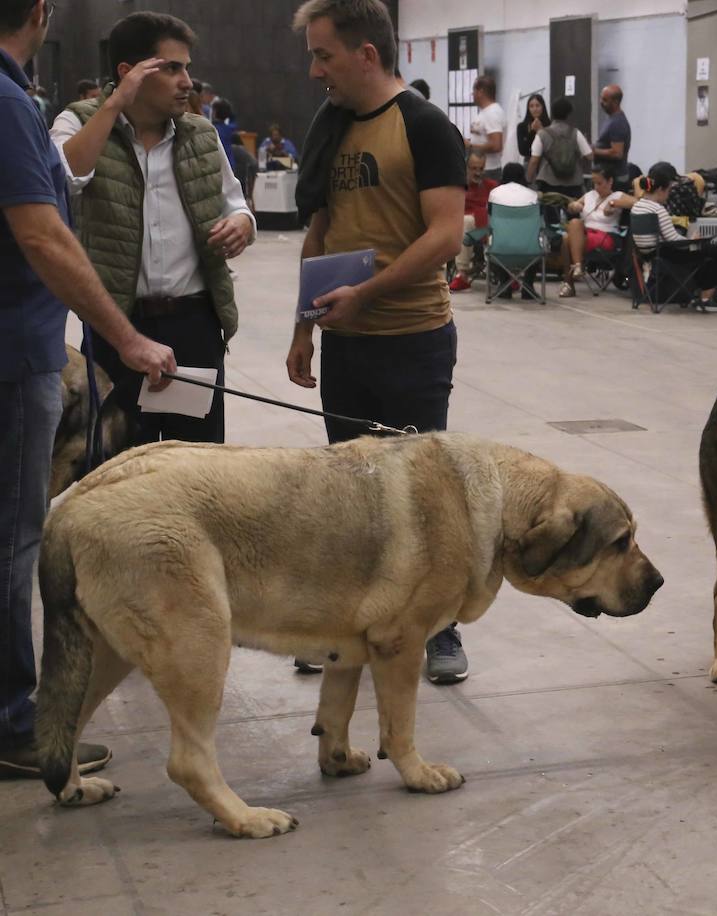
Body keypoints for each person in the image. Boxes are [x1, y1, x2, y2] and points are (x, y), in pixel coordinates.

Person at [1, 0, 176, 779]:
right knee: (15, 542)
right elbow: (43, 231)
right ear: (38, 11)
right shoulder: (11, 103)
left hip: (29, 349)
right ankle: (13, 726)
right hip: (14, 358)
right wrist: (128, 339)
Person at [288, 0, 470, 684]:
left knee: (425, 497)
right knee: (353, 492)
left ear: (366, 55)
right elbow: (320, 234)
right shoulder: (330, 129)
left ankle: (440, 628)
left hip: (413, 341)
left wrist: (365, 295)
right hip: (346, 343)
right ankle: (347, 629)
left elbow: (445, 236)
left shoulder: (424, 126)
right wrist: (303, 326)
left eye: (324, 55)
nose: (314, 71)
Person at [51, 11, 254, 447]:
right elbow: (64, 178)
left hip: (192, 329)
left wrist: (242, 223)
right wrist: (114, 105)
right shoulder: (76, 121)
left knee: (194, 462)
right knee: (118, 461)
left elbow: (236, 202)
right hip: (117, 327)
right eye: (173, 68)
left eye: (188, 68)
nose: (188, 81)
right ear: (130, 73)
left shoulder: (201, 134)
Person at [631, 161, 717, 312]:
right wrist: (694, 240)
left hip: (647, 253)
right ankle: (705, 299)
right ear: (660, 189)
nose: (670, 194)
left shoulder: (637, 206)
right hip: (666, 253)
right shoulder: (658, 210)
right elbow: (674, 241)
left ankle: (701, 295)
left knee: (705, 253)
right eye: (669, 189)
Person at [559, 163, 629, 297]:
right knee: (572, 226)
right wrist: (574, 206)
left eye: (600, 183)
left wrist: (614, 204)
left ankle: (569, 283)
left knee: (567, 239)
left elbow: (636, 202)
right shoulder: (590, 195)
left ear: (610, 181)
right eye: (594, 183)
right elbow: (572, 206)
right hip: (586, 234)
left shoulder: (618, 196)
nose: (596, 187)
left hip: (606, 236)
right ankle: (578, 266)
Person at [486, 161, 540, 300]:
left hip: (500, 248)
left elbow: (490, 220)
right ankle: (528, 286)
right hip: (530, 249)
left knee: (493, 238)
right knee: (539, 241)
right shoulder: (533, 196)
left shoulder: (495, 194)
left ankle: (504, 284)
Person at [448, 151, 497, 293]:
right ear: (466, 168)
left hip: (489, 228)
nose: (478, 173)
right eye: (474, 168)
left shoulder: (492, 187)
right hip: (464, 228)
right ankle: (462, 274)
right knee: (466, 220)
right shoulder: (458, 186)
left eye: (481, 169)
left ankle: (508, 274)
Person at [526, 95, 591, 199]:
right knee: (573, 214)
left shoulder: (542, 134)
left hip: (549, 184)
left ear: (552, 112)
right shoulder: (576, 133)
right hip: (573, 184)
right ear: (568, 114)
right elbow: (589, 156)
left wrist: (528, 181)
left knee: (550, 215)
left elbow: (534, 161)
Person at [469, 72, 504, 179]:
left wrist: (469, 146)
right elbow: (482, 139)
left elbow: (496, 145)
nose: (472, 94)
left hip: (488, 170)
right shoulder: (485, 112)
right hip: (480, 168)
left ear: (481, 92)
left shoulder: (493, 112)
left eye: (474, 91)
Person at [593, 83, 631, 177]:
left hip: (615, 178)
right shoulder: (612, 119)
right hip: (608, 176)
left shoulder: (617, 123)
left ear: (615, 102)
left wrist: (594, 151)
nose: (601, 102)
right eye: (601, 98)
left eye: (605, 100)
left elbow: (617, 153)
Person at [515, 92, 548, 163]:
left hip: (547, 164)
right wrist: (532, 132)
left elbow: (551, 148)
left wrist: (542, 131)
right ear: (528, 108)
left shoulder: (549, 124)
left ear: (543, 107)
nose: (535, 109)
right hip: (529, 162)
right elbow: (523, 151)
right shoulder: (522, 126)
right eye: (531, 106)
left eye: (537, 105)